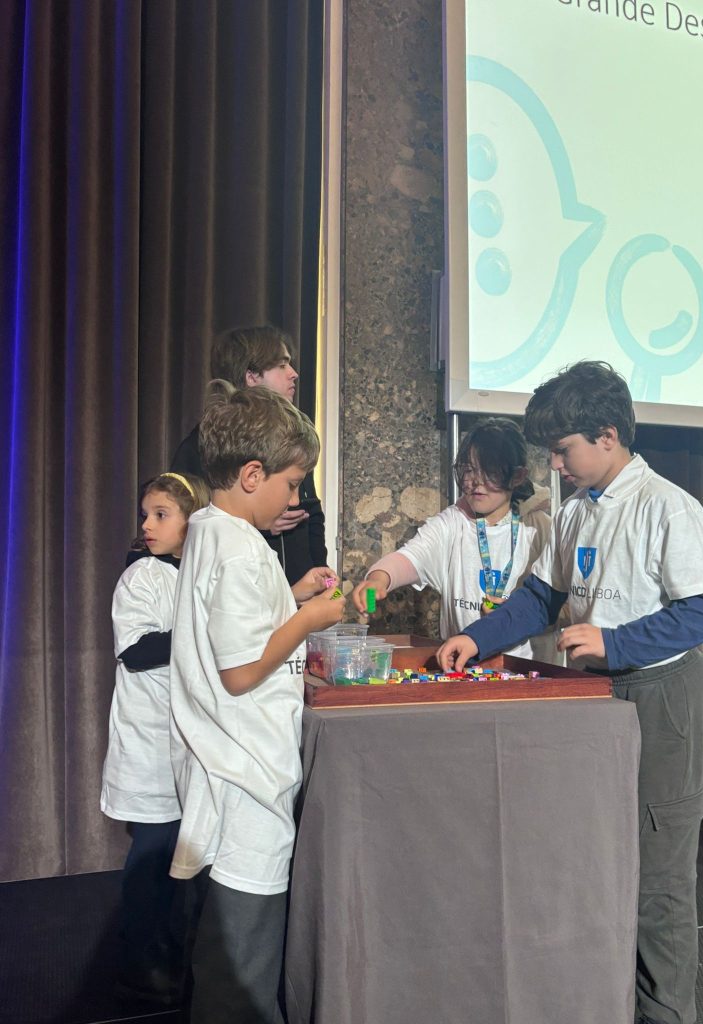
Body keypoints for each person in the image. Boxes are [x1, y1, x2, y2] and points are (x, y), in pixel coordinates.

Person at [437, 361, 703, 1024]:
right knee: (596, 862)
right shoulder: (574, 513)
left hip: (662, 695)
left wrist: (615, 643)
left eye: (563, 450)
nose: (556, 465)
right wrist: (476, 640)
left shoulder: (666, 506)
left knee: (658, 877)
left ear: (607, 436)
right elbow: (540, 598)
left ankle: (666, 1015)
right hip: (597, 696)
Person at [169, 382, 346, 1024]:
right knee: (243, 963)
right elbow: (242, 670)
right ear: (252, 475)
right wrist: (310, 619)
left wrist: (291, 597)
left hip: (222, 762)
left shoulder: (210, 530)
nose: (295, 500)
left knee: (229, 950)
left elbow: (232, 625)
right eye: (292, 485)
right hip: (246, 775)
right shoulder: (242, 549)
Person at [101, 470, 210, 1005]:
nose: (147, 524)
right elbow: (137, 649)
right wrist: (205, 629)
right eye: (145, 514)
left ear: (194, 522)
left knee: (180, 859)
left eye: (161, 514)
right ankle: (137, 962)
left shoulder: (197, 575)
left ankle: (170, 952)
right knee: (151, 856)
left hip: (187, 743)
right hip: (149, 742)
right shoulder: (142, 576)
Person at [351, 418, 553, 659]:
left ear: (517, 475)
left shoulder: (539, 528)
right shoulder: (452, 523)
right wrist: (379, 578)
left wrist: (510, 617)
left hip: (529, 671)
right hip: (461, 668)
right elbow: (412, 556)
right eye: (469, 470)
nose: (476, 482)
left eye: (489, 471)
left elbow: (559, 606)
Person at [171, 324, 327, 584]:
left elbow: (313, 518)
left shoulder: (293, 442)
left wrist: (326, 584)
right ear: (252, 376)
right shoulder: (202, 446)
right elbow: (187, 529)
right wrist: (260, 524)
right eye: (282, 365)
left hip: (296, 596)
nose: (294, 374)